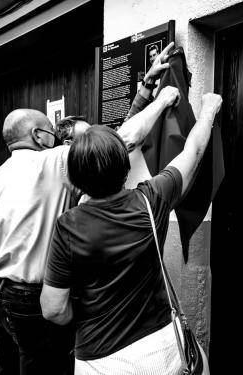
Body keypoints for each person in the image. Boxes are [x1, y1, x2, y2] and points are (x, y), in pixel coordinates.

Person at [0, 42, 175, 375]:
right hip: (40, 300)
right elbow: (123, 140)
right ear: (39, 135)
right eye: (54, 134)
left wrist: (146, 88)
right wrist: (162, 99)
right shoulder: (51, 162)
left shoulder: (0, 176)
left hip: (3, 296)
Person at [40, 82, 222, 375]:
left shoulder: (69, 226)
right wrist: (209, 109)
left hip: (101, 360)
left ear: (75, 175)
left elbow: (53, 308)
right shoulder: (152, 198)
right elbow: (194, 150)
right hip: (161, 349)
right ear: (124, 165)